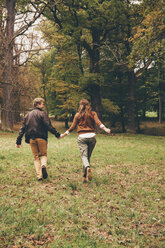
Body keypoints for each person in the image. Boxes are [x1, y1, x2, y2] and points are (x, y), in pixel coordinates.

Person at [60, 99, 111, 183]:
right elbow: (98, 122)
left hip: (82, 138)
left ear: (80, 105)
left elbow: (72, 127)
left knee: (84, 157)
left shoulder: (77, 115)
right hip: (92, 138)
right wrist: (105, 129)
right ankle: (84, 177)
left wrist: (63, 135)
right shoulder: (93, 113)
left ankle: (87, 168)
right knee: (87, 157)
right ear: (88, 105)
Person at [16, 98, 60, 181]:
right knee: (43, 155)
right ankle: (43, 165)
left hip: (31, 139)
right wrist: (57, 134)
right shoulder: (43, 114)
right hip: (41, 138)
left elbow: (22, 129)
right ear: (38, 104)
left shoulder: (27, 115)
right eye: (42, 104)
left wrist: (18, 141)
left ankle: (39, 176)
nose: (43, 105)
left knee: (36, 157)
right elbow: (48, 126)